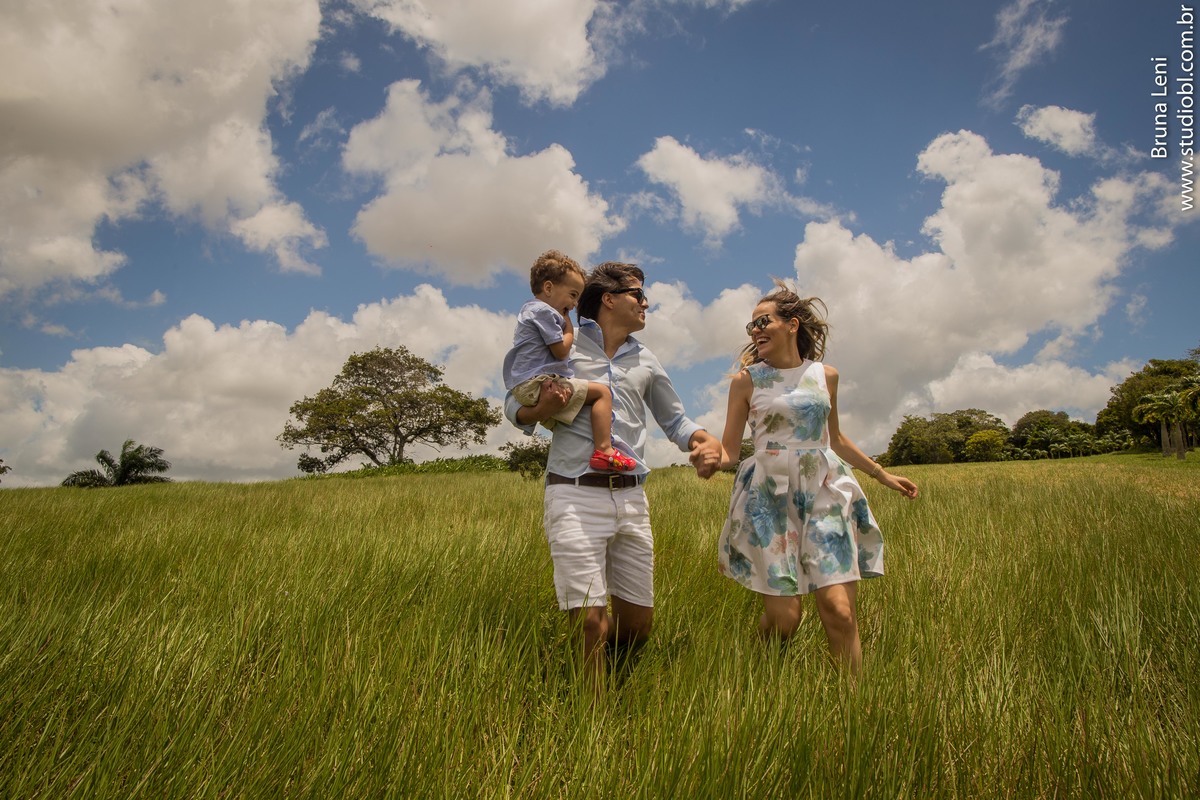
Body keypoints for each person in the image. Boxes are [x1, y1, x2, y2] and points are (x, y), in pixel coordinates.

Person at [505, 261, 722, 690]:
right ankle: (593, 719)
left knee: (637, 627)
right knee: (590, 624)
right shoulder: (563, 343)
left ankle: (617, 684)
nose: (646, 303)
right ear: (609, 299)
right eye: (638, 294)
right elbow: (513, 404)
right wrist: (539, 410)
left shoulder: (646, 360)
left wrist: (702, 441)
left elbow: (675, 420)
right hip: (573, 492)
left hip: (631, 499)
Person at [711, 282, 918, 673]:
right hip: (768, 498)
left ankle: (855, 710)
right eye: (750, 326)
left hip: (824, 489)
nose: (755, 331)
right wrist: (709, 458)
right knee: (786, 620)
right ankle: (759, 674)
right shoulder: (747, 380)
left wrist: (882, 474)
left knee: (839, 611)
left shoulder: (826, 376)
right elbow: (730, 451)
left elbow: (834, 438)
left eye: (762, 321)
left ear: (792, 324)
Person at [503, 250, 635, 472]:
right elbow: (561, 351)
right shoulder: (546, 313)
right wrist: (568, 330)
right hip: (539, 383)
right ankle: (605, 450)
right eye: (572, 295)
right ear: (548, 288)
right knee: (602, 393)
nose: (574, 304)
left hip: (525, 385)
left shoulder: (529, 311)